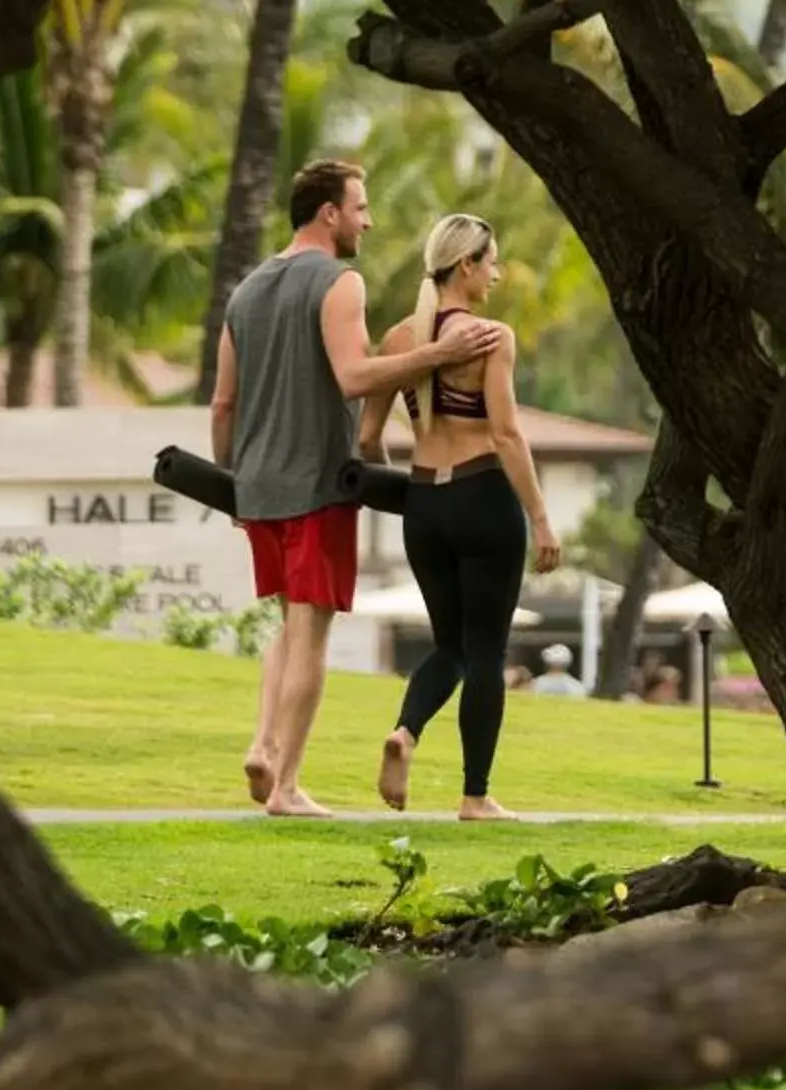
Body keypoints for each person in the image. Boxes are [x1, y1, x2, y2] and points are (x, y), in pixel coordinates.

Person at [212, 160, 504, 817]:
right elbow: (352, 377)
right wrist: (435, 357)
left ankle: (263, 745)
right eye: (361, 208)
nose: (369, 221)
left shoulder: (246, 291)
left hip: (256, 485)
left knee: (288, 624)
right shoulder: (339, 282)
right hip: (316, 480)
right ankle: (285, 786)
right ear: (329, 214)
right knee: (310, 633)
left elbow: (222, 404)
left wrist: (233, 482)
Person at [364, 212, 562, 819]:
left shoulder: (399, 339)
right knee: (484, 653)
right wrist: (541, 517)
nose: (497, 273)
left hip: (424, 504)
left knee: (448, 646)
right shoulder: (490, 337)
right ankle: (475, 794)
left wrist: (417, 489)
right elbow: (506, 434)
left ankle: (407, 730)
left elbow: (369, 437)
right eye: (492, 261)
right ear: (467, 265)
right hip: (483, 497)